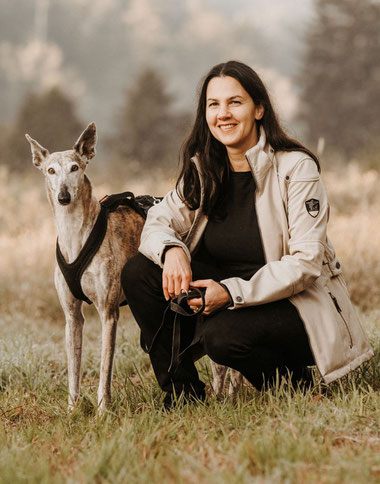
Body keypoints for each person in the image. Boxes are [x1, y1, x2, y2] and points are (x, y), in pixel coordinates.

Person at [121, 60, 373, 406]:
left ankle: (290, 382)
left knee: (222, 337)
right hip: (229, 297)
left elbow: (305, 264)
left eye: (234, 102)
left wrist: (228, 292)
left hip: (294, 305)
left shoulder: (296, 169)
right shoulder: (205, 169)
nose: (223, 114)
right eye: (214, 104)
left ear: (258, 109)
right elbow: (158, 220)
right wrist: (172, 251)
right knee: (138, 271)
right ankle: (182, 394)